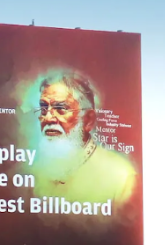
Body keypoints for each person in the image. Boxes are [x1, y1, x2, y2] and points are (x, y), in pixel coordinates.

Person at [20, 70, 139, 226]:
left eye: (60, 108)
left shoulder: (121, 177)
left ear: (88, 120)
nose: (48, 118)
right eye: (44, 109)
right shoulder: (31, 170)